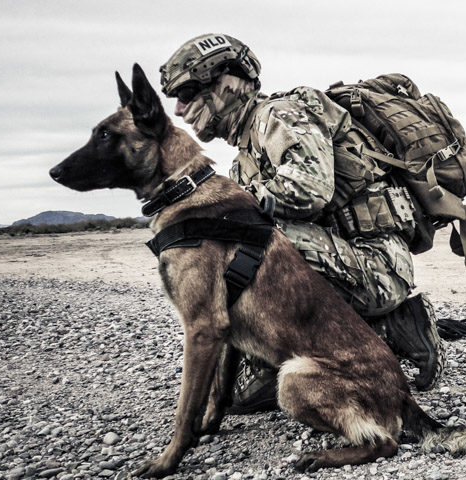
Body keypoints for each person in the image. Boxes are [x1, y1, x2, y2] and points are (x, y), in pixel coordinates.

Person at [158, 34, 446, 412]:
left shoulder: (279, 115)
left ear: (229, 82)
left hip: (376, 267)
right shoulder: (243, 156)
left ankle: (396, 327)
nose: (180, 109)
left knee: (245, 241)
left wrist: (229, 212)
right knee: (246, 398)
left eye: (190, 91)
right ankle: (283, 357)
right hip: (341, 265)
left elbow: (311, 188)